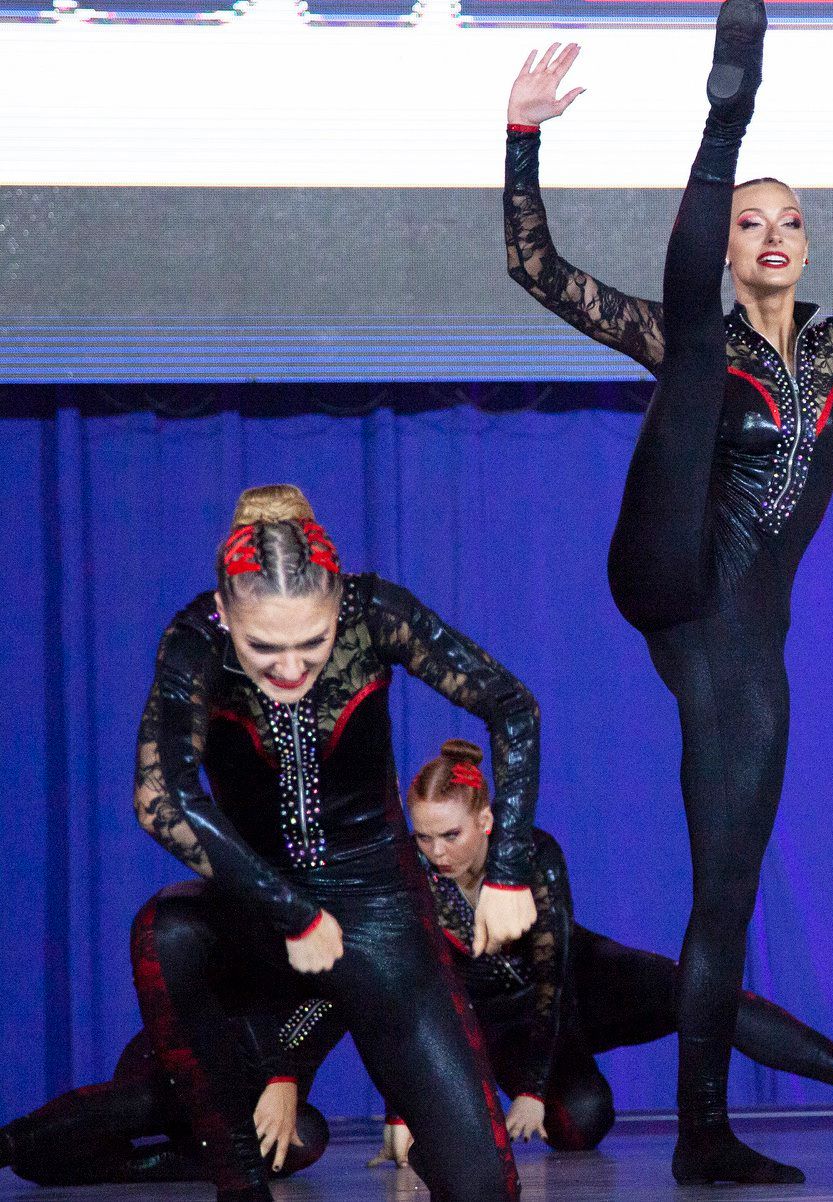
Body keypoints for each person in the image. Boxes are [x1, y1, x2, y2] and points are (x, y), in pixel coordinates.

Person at [501, 0, 833, 1184]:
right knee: (688, 349)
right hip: (669, 568)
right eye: (749, 223)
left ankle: (706, 1129)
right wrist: (523, 139)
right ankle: (728, 111)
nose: (769, 239)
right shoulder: (694, 328)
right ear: (729, 239)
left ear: (807, 245)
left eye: (787, 224)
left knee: (725, 893)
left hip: (738, 639)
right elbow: (535, 266)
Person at [133, 483, 539, 1202]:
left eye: (312, 644)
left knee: (480, 1184)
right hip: (259, 916)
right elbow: (161, 797)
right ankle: (241, 1181)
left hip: (378, 913)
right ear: (226, 613)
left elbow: (511, 705)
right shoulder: (196, 638)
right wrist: (292, 912)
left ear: (338, 606)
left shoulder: (375, 613)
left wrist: (506, 871)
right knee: (165, 933)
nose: (290, 671)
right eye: (264, 647)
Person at [371, 739, 833, 1166]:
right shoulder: (412, 881)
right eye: (423, 838)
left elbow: (554, 978)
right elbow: (403, 995)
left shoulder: (535, 855)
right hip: (498, 1021)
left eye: (450, 835)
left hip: (574, 983)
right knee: (584, 1120)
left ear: (486, 821)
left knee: (698, 991)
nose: (436, 852)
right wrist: (403, 1111)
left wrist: (530, 1088)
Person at [1, 936, 343, 1189]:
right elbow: (241, 1005)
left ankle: (120, 1167)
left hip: (246, 1104)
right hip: (177, 1065)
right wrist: (278, 1073)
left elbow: (391, 1027)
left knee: (308, 1135)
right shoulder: (282, 936)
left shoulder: (363, 965)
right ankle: (10, 1144)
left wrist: (397, 1116)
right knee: (180, 1091)